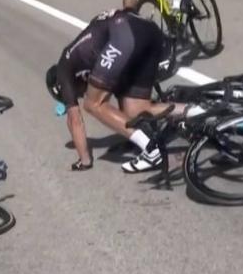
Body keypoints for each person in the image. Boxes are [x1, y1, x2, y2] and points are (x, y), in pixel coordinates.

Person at [46, 9, 201, 172]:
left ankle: (151, 150)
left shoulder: (64, 68)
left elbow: (75, 120)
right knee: (137, 109)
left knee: (92, 103)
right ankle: (202, 112)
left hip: (124, 34)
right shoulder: (85, 62)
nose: (77, 95)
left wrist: (84, 160)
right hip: (147, 30)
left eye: (73, 94)